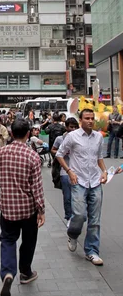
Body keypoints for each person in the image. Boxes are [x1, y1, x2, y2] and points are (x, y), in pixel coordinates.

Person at [0, 119, 45, 296]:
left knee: (8, 239)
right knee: (29, 240)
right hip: (28, 208)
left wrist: (9, 190)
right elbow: (37, 187)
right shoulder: (33, 156)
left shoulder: (2, 152)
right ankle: (25, 272)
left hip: (7, 206)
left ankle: (8, 273)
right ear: (28, 133)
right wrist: (41, 209)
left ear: (11, 132)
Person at [56, 108, 108, 266]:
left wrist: (105, 171)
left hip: (95, 181)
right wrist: (69, 171)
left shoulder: (98, 137)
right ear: (81, 120)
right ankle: (73, 234)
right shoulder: (72, 136)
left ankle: (91, 251)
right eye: (87, 118)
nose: (90, 121)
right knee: (78, 215)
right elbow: (59, 154)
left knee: (95, 219)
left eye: (92, 118)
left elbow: (99, 158)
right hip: (78, 181)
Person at [51, 117, 79, 223]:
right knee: (67, 197)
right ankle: (69, 217)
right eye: (71, 127)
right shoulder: (60, 139)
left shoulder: (80, 138)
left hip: (78, 171)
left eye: (75, 127)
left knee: (78, 197)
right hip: (64, 171)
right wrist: (62, 152)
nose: (73, 129)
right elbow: (53, 150)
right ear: (66, 127)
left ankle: (77, 215)